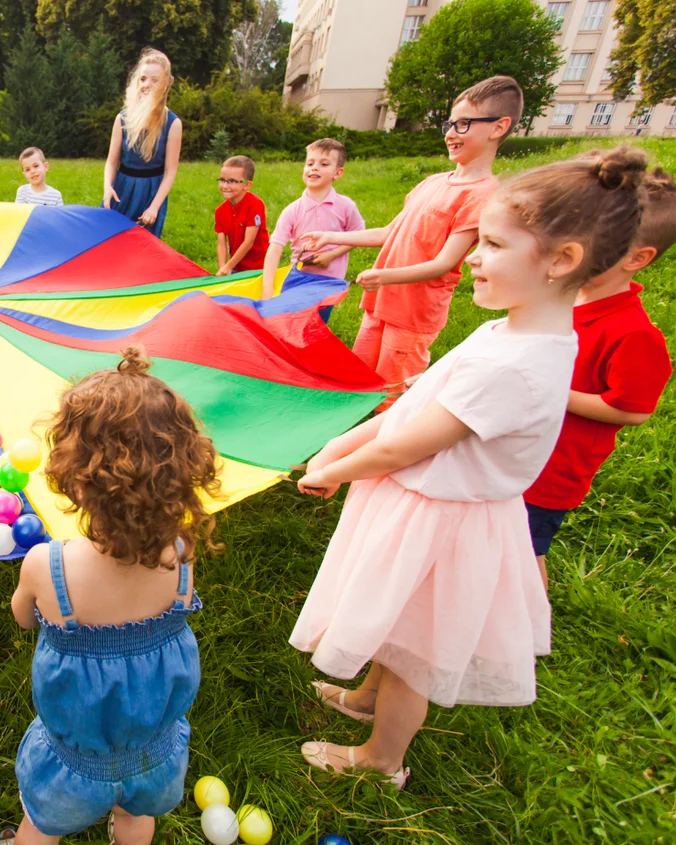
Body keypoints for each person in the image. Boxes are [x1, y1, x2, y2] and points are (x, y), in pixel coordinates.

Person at [290, 147, 651, 788]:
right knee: (394, 626)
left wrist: (334, 467)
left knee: (414, 655)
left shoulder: (516, 363)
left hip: (443, 525)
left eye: (491, 245)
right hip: (430, 508)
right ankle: (367, 695)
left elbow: (411, 444)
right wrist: (342, 449)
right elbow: (419, 403)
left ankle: (380, 758)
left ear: (561, 261)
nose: (473, 259)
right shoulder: (513, 333)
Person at [10, 346, 219, 845]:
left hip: (72, 762)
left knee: (41, 826)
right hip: (155, 754)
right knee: (135, 817)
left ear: (78, 480)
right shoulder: (181, 555)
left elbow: (23, 619)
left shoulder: (48, 565)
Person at [297, 76, 522, 405]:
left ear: (498, 127)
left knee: (393, 393)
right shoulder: (433, 182)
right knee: (359, 381)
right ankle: (352, 441)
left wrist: (382, 276)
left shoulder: (482, 195)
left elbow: (444, 263)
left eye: (463, 125)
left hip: (413, 315)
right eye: (450, 123)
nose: (450, 133)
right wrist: (330, 236)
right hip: (381, 304)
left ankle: (386, 448)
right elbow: (390, 233)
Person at [524, 168, 676, 588]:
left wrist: (553, 391)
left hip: (552, 472)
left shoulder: (635, 334)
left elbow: (632, 411)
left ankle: (530, 628)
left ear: (637, 257)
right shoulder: (563, 301)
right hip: (518, 452)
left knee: (524, 551)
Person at [259, 138, 364, 298]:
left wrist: (333, 254)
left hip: (330, 282)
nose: (314, 168)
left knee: (319, 321)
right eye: (310, 163)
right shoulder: (292, 210)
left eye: (324, 164)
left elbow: (359, 235)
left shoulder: (346, 206)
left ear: (337, 173)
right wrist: (267, 287)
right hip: (298, 280)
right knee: (296, 321)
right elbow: (275, 248)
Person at [103, 48, 182, 237]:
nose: (147, 85)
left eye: (155, 80)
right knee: (109, 243)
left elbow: (170, 172)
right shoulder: (122, 118)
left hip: (150, 193)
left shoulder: (173, 124)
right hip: (121, 189)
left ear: (165, 84)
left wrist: (154, 207)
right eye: (143, 78)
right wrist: (108, 187)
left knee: (143, 250)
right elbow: (112, 161)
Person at [213, 155, 270, 277]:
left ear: (247, 185)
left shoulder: (255, 204)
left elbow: (248, 241)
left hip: (260, 267)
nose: (225, 185)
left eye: (232, 181)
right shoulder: (220, 211)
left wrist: (228, 266)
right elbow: (221, 242)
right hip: (236, 267)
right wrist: (223, 268)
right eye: (222, 180)